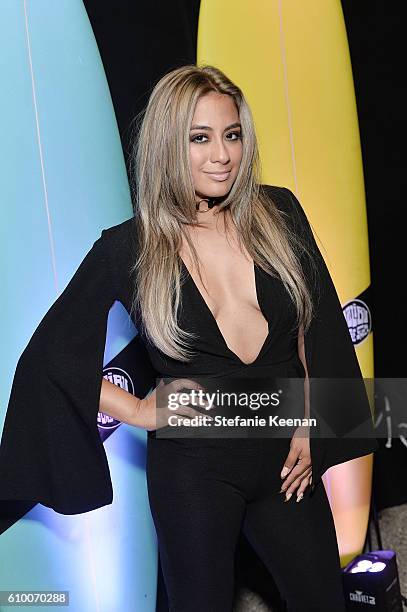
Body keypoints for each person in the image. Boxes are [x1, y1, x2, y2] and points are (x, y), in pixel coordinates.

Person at [0, 65, 378, 611]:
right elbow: (48, 359)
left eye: (232, 134)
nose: (221, 155)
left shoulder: (281, 213)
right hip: (194, 470)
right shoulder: (128, 247)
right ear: (166, 146)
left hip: (285, 457)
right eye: (199, 138)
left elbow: (314, 331)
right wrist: (140, 412)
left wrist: (312, 422)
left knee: (324, 601)